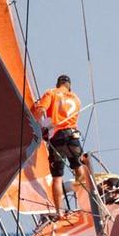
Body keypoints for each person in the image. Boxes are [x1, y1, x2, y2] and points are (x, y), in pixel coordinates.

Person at [35, 74, 87, 218]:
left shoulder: (51, 93)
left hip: (56, 139)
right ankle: (85, 205)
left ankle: (60, 212)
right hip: (72, 137)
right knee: (79, 169)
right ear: (69, 85)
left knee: (57, 178)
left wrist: (42, 124)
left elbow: (40, 111)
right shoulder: (76, 99)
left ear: (58, 84)